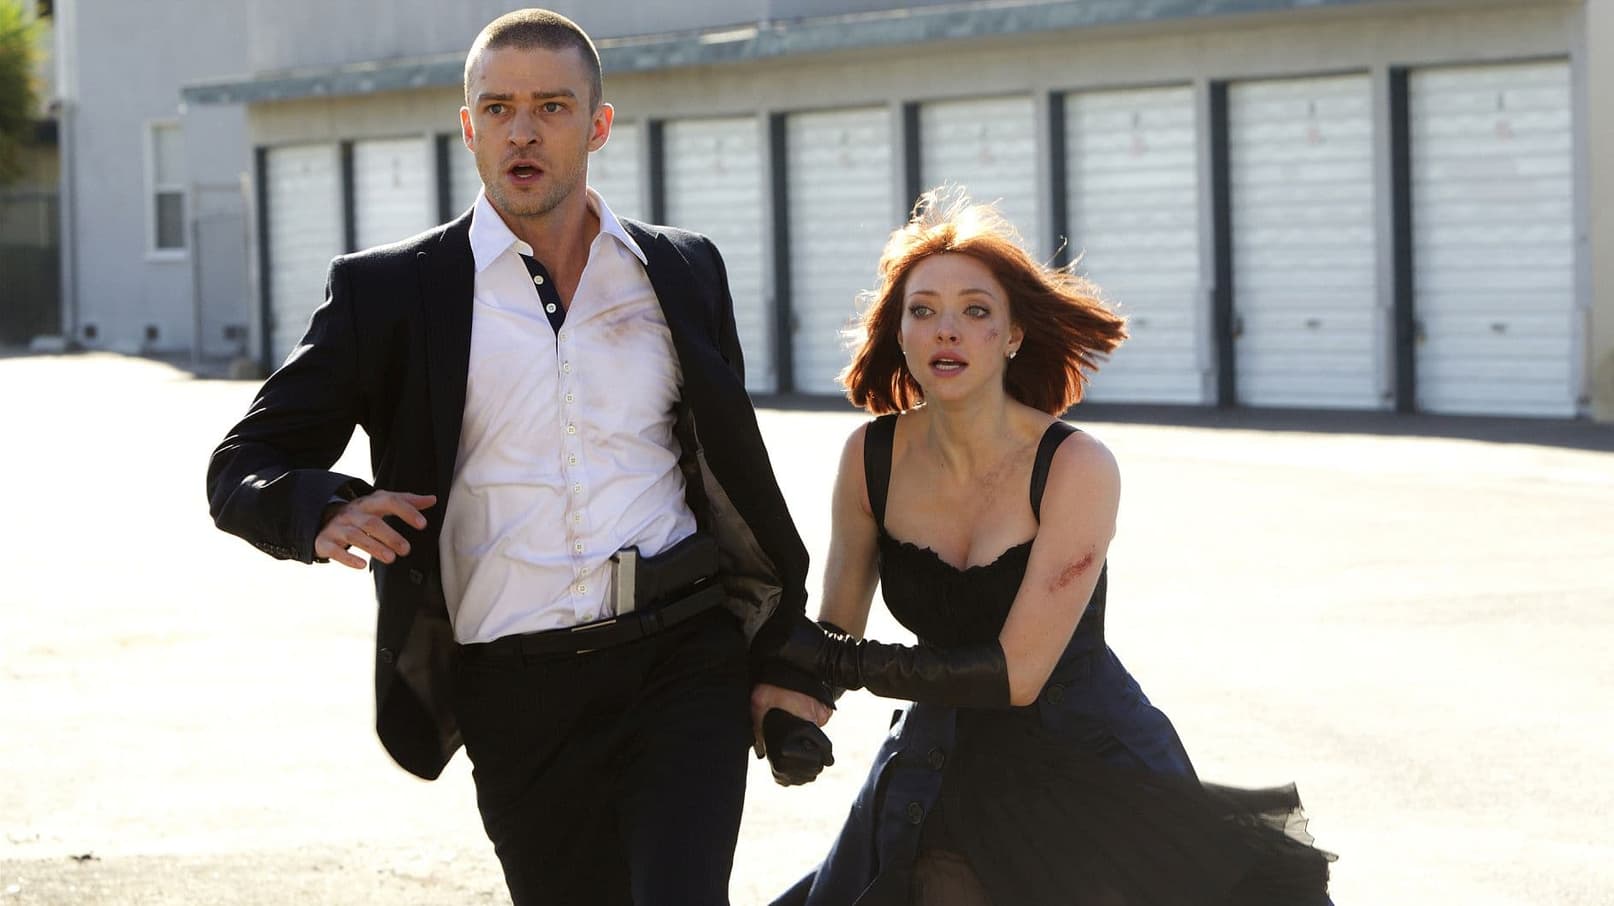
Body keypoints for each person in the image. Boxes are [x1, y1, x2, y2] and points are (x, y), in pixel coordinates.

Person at [206, 9, 833, 904]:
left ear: (598, 124)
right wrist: (323, 508)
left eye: (551, 106)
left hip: (681, 657)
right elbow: (243, 463)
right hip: (515, 685)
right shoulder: (392, 293)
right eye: (498, 109)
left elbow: (729, 476)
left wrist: (775, 646)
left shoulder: (683, 270)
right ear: (469, 128)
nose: (523, 131)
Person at [773, 189, 1336, 905]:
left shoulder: (1076, 465)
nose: (948, 330)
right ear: (901, 333)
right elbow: (836, 626)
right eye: (924, 310)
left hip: (1085, 765)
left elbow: (1016, 676)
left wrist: (831, 661)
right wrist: (793, 707)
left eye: (976, 311)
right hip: (939, 757)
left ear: (1013, 335)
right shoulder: (868, 457)